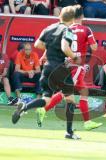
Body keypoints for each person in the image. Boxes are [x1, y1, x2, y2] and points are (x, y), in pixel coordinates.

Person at [11, 6, 81, 139]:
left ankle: (24, 107)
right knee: (71, 101)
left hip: (48, 68)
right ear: (72, 19)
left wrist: (49, 49)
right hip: (60, 68)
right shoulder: (68, 30)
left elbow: (37, 44)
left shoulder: (48, 28)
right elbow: (65, 47)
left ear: (60, 15)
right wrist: (74, 57)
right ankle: (69, 132)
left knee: (46, 99)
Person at [36, 5, 102, 131]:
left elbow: (54, 44)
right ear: (82, 16)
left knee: (83, 92)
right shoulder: (86, 29)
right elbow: (94, 47)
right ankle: (43, 109)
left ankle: (87, 122)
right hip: (76, 65)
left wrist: (44, 56)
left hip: (64, 63)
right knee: (65, 92)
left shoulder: (66, 28)